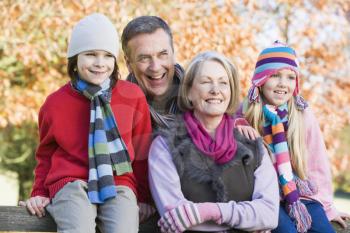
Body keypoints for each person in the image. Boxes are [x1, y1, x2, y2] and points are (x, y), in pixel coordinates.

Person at [19, 13, 152, 233]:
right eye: (90, 54)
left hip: (118, 180)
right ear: (75, 58)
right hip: (70, 182)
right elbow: (45, 154)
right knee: (78, 227)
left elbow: (141, 152)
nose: (100, 63)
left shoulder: (132, 96)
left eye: (107, 56)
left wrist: (145, 197)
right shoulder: (55, 103)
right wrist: (39, 192)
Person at [148, 51, 279, 233]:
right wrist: (249, 220)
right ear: (189, 92)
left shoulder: (252, 146)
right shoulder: (165, 146)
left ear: (231, 91)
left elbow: (269, 214)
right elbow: (175, 217)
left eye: (223, 83)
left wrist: (208, 211)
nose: (215, 90)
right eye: (205, 81)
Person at [240, 41, 350, 233]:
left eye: (291, 77)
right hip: (264, 197)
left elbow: (318, 164)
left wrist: (329, 208)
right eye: (275, 75)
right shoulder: (245, 113)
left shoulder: (302, 114)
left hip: (301, 196)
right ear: (261, 79)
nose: (283, 83)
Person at [121, 15, 184, 129]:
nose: (155, 67)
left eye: (162, 54)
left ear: (173, 53)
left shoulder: (201, 98)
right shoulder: (118, 114)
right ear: (129, 63)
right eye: (144, 58)